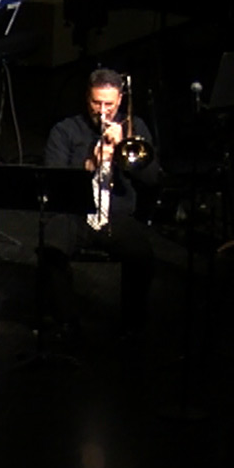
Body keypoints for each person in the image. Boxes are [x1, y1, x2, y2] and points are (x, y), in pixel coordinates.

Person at [39, 69, 161, 338]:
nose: (103, 111)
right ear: (87, 98)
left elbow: (153, 178)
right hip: (76, 213)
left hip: (117, 216)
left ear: (120, 100)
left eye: (109, 104)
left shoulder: (135, 127)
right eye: (96, 103)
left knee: (142, 255)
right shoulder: (65, 130)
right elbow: (55, 183)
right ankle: (65, 321)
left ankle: (132, 325)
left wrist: (124, 149)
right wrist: (91, 164)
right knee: (51, 248)